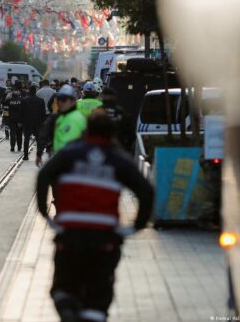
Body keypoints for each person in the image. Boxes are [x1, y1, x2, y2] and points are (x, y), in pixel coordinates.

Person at [36, 110, 154, 322]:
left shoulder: (70, 153)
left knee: (63, 287)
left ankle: (68, 311)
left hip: (70, 234)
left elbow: (44, 174)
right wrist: (137, 225)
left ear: (86, 129)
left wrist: (45, 213)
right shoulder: (118, 159)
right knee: (98, 296)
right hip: (104, 237)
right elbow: (146, 191)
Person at [36, 85, 86, 167]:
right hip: (59, 160)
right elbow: (44, 134)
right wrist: (39, 153)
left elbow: (68, 143)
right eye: (59, 99)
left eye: (64, 99)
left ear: (73, 101)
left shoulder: (76, 118)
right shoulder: (58, 117)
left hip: (69, 163)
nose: (60, 102)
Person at [100, 87, 133, 152]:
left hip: (100, 148)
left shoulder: (97, 112)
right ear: (114, 97)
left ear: (102, 96)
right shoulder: (120, 112)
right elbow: (130, 132)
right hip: (117, 147)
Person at [20, 84, 46, 160]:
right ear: (36, 91)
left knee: (26, 139)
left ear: (29, 91)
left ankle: (26, 155)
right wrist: (42, 123)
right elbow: (43, 113)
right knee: (38, 140)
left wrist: (21, 121)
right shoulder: (41, 100)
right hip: (38, 123)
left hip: (27, 122)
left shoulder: (24, 100)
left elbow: (21, 112)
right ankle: (39, 155)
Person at [3, 81, 24, 152]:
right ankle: (19, 147)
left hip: (11, 119)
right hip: (19, 120)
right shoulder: (21, 100)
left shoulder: (8, 100)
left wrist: (6, 120)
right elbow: (23, 111)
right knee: (19, 134)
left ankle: (12, 147)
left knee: (12, 134)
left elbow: (5, 110)